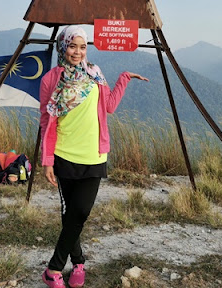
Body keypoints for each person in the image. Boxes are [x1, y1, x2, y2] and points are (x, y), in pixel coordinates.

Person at [39, 25, 149, 288]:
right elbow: (46, 121)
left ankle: (53, 268)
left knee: (81, 211)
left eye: (83, 46)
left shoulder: (95, 74)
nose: (78, 52)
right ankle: (77, 263)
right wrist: (47, 160)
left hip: (95, 155)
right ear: (63, 47)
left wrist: (123, 78)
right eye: (73, 46)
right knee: (71, 215)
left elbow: (109, 106)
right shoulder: (51, 79)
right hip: (64, 155)